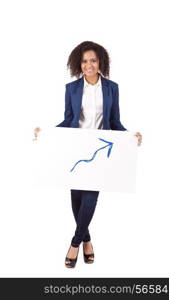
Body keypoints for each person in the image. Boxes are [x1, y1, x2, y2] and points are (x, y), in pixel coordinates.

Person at [33, 41, 142, 268]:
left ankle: (74, 243)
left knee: (90, 198)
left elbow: (114, 122)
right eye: (84, 61)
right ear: (78, 64)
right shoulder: (71, 89)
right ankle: (88, 239)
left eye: (93, 60)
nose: (89, 65)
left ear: (100, 61)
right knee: (76, 199)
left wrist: (131, 137)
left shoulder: (112, 88)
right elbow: (68, 120)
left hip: (100, 150)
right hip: (75, 148)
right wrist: (47, 134)